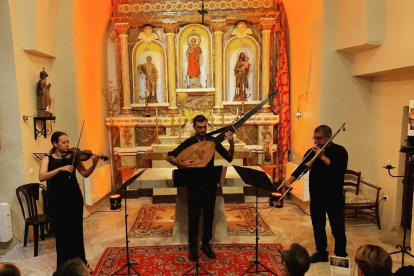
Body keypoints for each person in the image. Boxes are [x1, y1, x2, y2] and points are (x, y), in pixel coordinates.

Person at [166, 115, 234, 261]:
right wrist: (181, 164)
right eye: (200, 127)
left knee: (209, 215)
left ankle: (206, 244)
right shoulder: (189, 143)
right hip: (194, 184)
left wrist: (231, 143)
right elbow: (169, 156)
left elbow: (229, 158)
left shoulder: (212, 141)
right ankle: (192, 246)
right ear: (194, 127)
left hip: (209, 183)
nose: (203, 130)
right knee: (194, 215)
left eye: (205, 127)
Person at [285, 125, 348, 263]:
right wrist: (290, 180)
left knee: (337, 228)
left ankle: (341, 255)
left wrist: (323, 157)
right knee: (318, 227)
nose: (316, 141)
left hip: (334, 197)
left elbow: (339, 171)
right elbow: (301, 168)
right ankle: (321, 252)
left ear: (328, 137)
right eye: (315, 138)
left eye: (319, 138)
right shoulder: (311, 151)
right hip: (317, 197)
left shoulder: (340, 151)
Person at [39, 131, 99, 271]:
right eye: (63, 142)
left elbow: (85, 174)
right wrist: (60, 169)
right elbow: (42, 176)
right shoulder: (47, 159)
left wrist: (94, 164)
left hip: (73, 198)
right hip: (57, 201)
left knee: (76, 233)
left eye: (68, 142)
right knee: (61, 234)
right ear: (55, 144)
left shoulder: (73, 158)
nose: (67, 145)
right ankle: (63, 267)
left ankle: (81, 264)